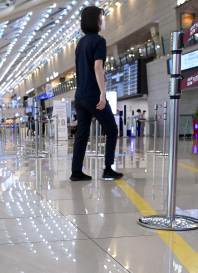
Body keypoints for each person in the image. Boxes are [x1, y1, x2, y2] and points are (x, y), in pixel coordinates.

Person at [70, 6, 122, 181]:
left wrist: (100, 76)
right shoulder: (99, 40)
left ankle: (76, 171)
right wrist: (102, 93)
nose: (103, 20)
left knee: (82, 133)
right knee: (112, 129)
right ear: (96, 20)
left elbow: (88, 68)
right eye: (101, 16)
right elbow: (97, 66)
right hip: (93, 94)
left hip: (80, 96)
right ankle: (108, 168)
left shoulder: (81, 43)